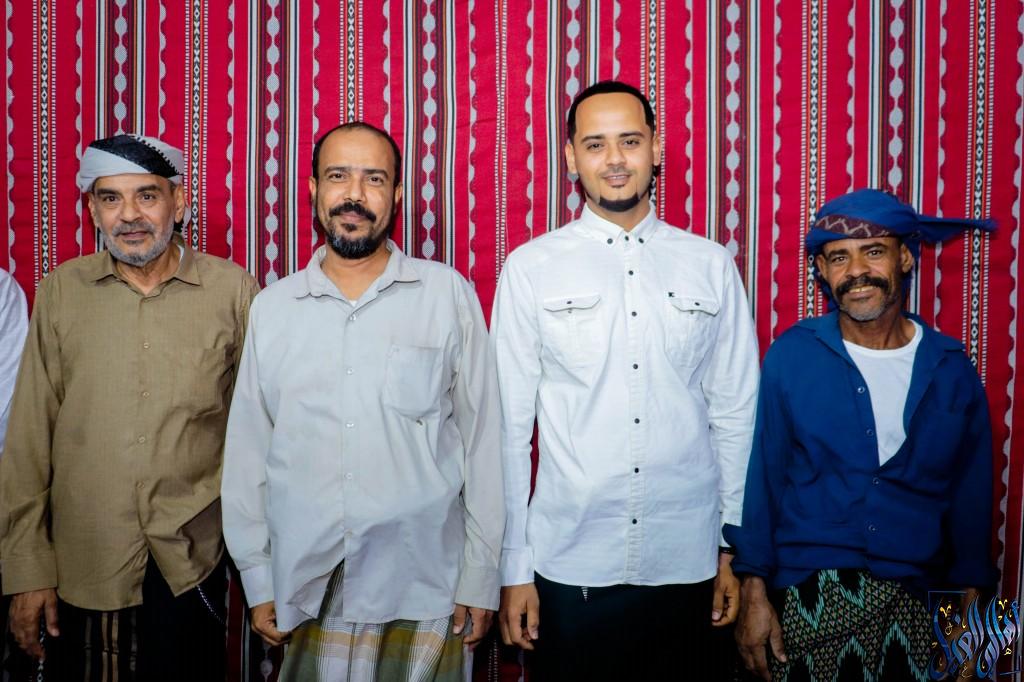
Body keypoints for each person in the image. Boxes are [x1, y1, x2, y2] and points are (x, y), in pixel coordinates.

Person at [492, 80, 760, 680]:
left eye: (630, 141)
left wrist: (733, 553)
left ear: (656, 148)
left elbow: (736, 417)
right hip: (569, 566)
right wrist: (514, 567)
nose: (614, 159)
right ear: (571, 158)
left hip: (689, 562)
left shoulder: (711, 265)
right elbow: (507, 430)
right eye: (595, 144)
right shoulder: (531, 268)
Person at [220, 121, 504, 681]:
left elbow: (483, 443)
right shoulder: (274, 309)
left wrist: (481, 575)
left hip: (426, 585)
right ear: (313, 190)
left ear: (396, 195)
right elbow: (249, 454)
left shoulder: (445, 294)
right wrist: (257, 575)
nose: (354, 194)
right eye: (338, 176)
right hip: (307, 589)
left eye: (373, 179)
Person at [0, 134, 260, 681]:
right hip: (84, 560)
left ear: (178, 202)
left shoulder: (234, 292)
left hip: (190, 562)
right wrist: (27, 571)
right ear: (92, 210)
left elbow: (258, 437)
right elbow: (28, 442)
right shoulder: (63, 291)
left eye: (147, 195)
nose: (129, 216)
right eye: (110, 198)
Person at [725, 189, 998, 681]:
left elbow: (972, 502)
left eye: (873, 251)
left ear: (905, 257)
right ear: (821, 270)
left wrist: (974, 626)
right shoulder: (793, 355)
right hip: (811, 594)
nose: (856, 271)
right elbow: (763, 482)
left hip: (920, 593)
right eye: (838, 258)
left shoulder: (952, 368)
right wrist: (754, 592)